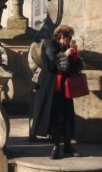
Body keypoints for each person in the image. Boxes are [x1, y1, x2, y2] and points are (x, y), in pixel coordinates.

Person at [30, 24, 84, 159]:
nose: (70, 40)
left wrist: (74, 59)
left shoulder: (66, 48)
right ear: (62, 36)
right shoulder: (49, 44)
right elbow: (50, 65)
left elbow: (73, 68)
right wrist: (64, 55)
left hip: (64, 87)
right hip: (50, 87)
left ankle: (67, 146)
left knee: (66, 117)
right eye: (69, 37)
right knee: (53, 117)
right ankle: (56, 146)